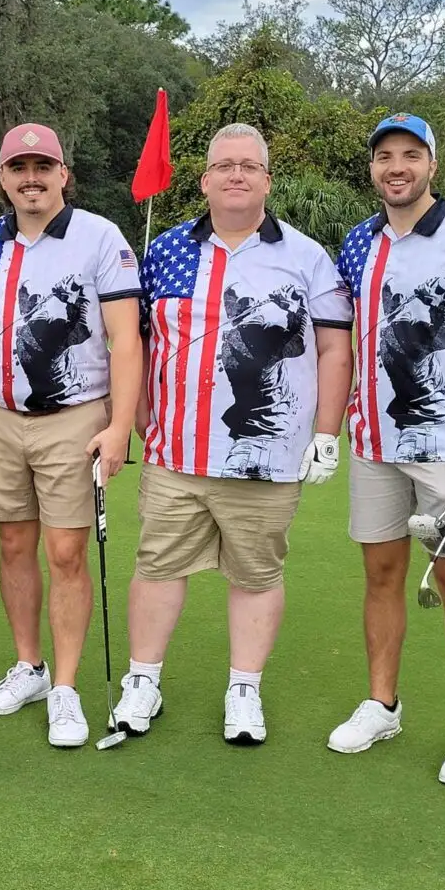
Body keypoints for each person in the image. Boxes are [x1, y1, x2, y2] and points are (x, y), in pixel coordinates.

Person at [110, 122, 354, 744]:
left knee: (256, 575)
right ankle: (143, 681)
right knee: (158, 567)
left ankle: (244, 689)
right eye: (225, 165)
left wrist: (327, 432)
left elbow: (334, 347)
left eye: (249, 165)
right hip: (176, 452)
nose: (236, 175)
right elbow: (137, 342)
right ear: (205, 180)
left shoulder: (306, 256)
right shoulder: (166, 250)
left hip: (266, 454)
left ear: (267, 180)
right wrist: (137, 414)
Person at [328, 113, 445, 786]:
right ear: (373, 168)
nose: (397, 167)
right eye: (385, 156)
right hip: (374, 440)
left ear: (432, 164)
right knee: (381, 574)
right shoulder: (360, 242)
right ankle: (383, 704)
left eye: (411, 154)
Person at [0, 123, 143, 748]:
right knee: (12, 545)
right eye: (18, 168)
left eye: (42, 167)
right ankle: (29, 667)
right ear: (2, 179)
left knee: (65, 554)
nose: (31, 179)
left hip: (74, 419)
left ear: (64, 175)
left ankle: (65, 687)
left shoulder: (100, 237)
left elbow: (125, 339)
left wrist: (119, 427)